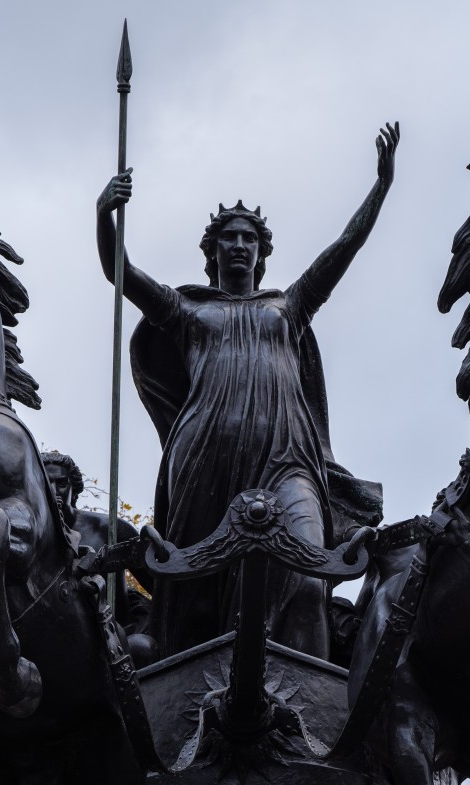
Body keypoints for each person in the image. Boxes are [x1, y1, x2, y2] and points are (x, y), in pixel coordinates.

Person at [96, 123, 399, 659]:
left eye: (248, 238)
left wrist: (380, 186)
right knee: (194, 597)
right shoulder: (188, 310)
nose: (239, 245)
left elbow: (343, 249)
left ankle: (306, 701)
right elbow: (120, 273)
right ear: (211, 253)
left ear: (261, 253)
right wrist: (104, 215)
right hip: (203, 461)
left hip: (287, 460)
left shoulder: (290, 306)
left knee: (306, 572)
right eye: (228, 238)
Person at [40, 451, 149, 637]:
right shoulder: (29, 539)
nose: (53, 491)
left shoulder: (107, 528)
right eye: (45, 483)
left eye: (61, 483)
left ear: (73, 489)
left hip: (120, 637)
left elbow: (157, 583)